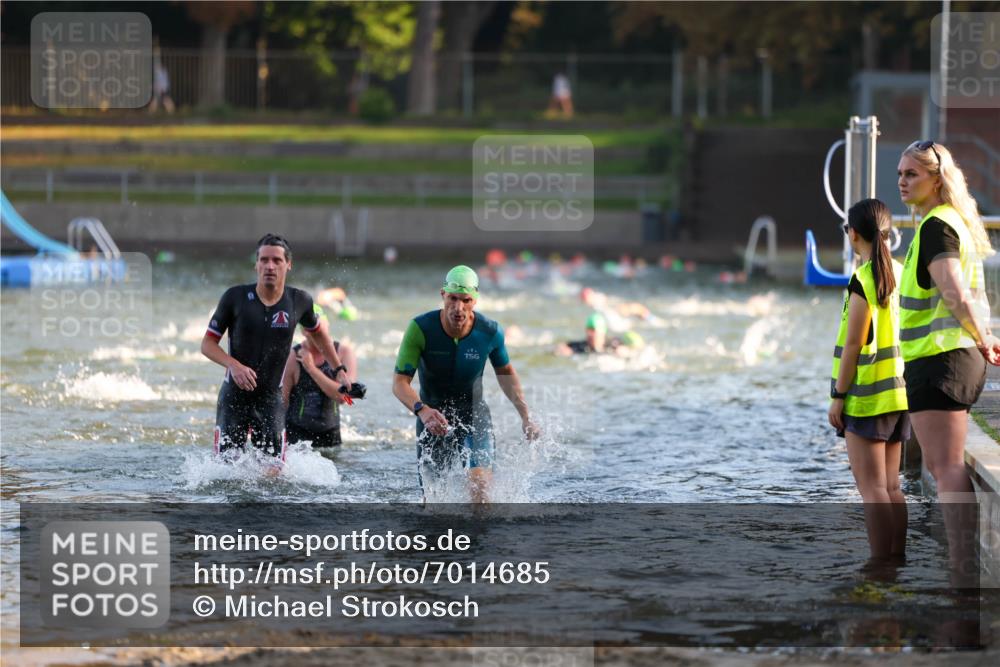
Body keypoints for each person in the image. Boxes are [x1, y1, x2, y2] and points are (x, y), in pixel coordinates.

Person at [898, 141, 1000, 505]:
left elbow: (954, 292)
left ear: (937, 179)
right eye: (900, 174)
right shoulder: (947, 222)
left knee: (947, 470)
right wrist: (982, 336)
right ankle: (956, 561)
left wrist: (984, 338)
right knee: (947, 468)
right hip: (948, 359)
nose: (902, 181)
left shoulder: (937, 226)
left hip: (941, 361)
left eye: (912, 174)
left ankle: (958, 564)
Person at [392, 265, 540, 503]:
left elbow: (507, 374)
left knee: (480, 490)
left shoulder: (489, 332)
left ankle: (478, 540)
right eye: (452, 298)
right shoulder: (420, 329)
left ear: (475, 300)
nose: (458, 308)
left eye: (466, 300)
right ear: (443, 295)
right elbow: (399, 383)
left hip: (474, 415)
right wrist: (422, 410)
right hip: (432, 418)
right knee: (433, 501)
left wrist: (526, 416)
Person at [202, 234, 351, 461]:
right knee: (226, 471)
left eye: (277, 260)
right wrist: (234, 365)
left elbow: (320, 335)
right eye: (264, 260)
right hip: (234, 399)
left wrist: (339, 369)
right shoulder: (235, 297)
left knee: (273, 475)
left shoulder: (299, 301)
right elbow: (207, 344)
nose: (269, 266)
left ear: (288, 265)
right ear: (256, 264)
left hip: (271, 400)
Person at [827, 199, 909, 563]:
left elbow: (852, 347)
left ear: (853, 234)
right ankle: (897, 560)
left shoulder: (863, 280)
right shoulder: (903, 273)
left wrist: (838, 396)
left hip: (866, 399)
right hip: (900, 394)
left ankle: (879, 568)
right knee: (892, 487)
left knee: (873, 489)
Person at [281, 305, 358, 449]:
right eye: (316, 331)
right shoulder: (292, 357)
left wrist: (311, 369)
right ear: (304, 331)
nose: (321, 335)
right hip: (296, 440)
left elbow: (346, 397)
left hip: (331, 438)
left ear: (328, 326)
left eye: (323, 330)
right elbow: (281, 402)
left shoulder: (344, 353)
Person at [555, 312, 644, 357]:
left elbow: (636, 349)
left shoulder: (614, 344)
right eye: (588, 330)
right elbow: (563, 346)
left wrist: (628, 352)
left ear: (602, 332)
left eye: (594, 330)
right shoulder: (582, 346)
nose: (590, 334)